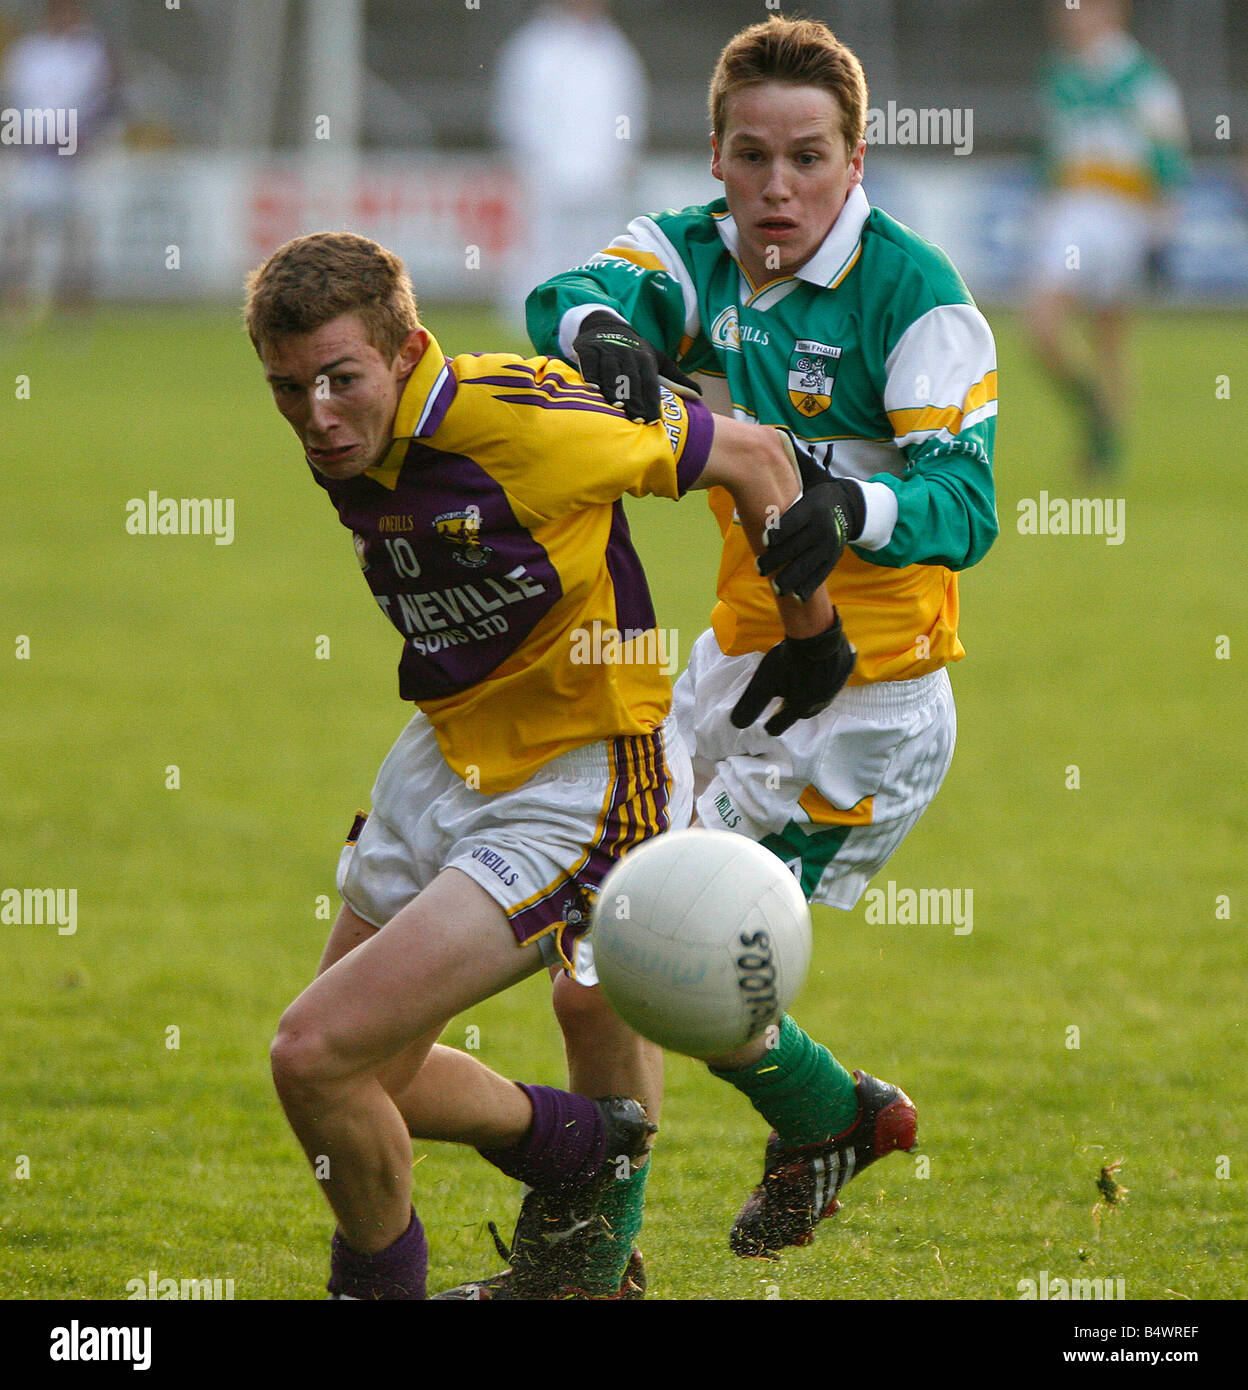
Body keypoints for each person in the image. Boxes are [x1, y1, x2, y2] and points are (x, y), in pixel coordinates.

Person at [439, 14, 999, 1296]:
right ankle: (814, 1126)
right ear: (717, 157)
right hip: (730, 672)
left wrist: (850, 506)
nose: (777, 188)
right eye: (752, 157)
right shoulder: (698, 254)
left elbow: (967, 503)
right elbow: (570, 294)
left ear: (856, 161)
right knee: (607, 968)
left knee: (623, 964)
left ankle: (597, 1259)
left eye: (808, 158)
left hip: (863, 707)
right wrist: (603, 339)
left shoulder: (917, 299)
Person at [244, 230, 850, 1300]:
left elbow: (758, 456)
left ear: (406, 351)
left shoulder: (525, 421)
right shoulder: (353, 437)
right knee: (357, 1075)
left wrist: (812, 636)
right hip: (445, 753)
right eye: (288, 390)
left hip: (583, 777)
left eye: (340, 379)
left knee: (312, 1053)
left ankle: (424, 1274)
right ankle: (578, 1146)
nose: (317, 415)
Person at [1027, 0, 1187, 477]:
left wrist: (1162, 232)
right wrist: (1044, 210)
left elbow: (1168, 154)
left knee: (1109, 335)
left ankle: (1105, 448)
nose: (1071, 18)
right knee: (1042, 328)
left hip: (1124, 213)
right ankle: (1096, 413)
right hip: (1073, 210)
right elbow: (1049, 153)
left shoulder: (1141, 77)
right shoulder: (1059, 75)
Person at [492, 0, 648, 329]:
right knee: (541, 248)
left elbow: (628, 106)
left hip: (603, 170)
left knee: (597, 249)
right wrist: (528, 159)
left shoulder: (613, 48)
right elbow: (517, 107)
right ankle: (529, 318)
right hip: (547, 170)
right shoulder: (536, 45)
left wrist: (624, 154)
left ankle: (588, 312)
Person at [0, 0, 120, 324]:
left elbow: (105, 96)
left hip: (77, 156)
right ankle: (17, 301)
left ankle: (73, 305)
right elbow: (14, 99)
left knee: (77, 233)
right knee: (21, 230)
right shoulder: (27, 52)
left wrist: (85, 133)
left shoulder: (91, 50)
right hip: (33, 153)